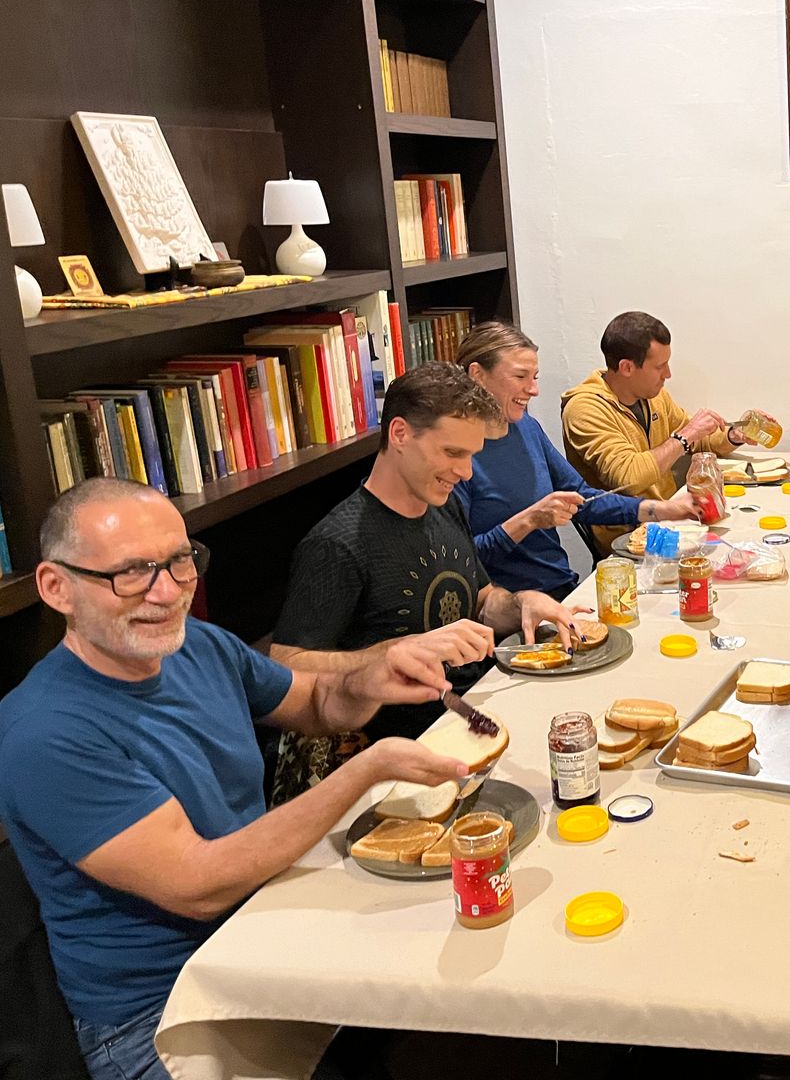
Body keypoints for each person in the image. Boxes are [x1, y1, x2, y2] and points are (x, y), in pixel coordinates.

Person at [0, 479, 467, 1080]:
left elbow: (316, 704)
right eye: (132, 573)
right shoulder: (45, 732)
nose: (167, 592)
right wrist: (366, 770)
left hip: (260, 937)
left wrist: (369, 679)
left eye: (180, 561)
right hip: (163, 1013)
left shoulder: (195, 645)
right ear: (55, 587)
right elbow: (198, 885)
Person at [271, 363, 584, 796]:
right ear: (400, 434)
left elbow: (480, 599)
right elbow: (285, 665)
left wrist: (521, 604)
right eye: (452, 453)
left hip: (473, 718)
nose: (467, 472)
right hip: (397, 761)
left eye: (472, 455)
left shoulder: (443, 505)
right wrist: (394, 653)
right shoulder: (337, 544)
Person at [455, 322, 698, 598]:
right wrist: (528, 521)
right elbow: (463, 560)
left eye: (535, 377)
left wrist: (664, 510)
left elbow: (583, 498)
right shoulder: (455, 456)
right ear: (477, 375)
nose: (533, 390)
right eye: (521, 376)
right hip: (511, 604)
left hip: (562, 588)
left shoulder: (527, 428)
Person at [560, 311, 773, 551]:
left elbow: (698, 440)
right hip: (630, 541)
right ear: (627, 367)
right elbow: (628, 477)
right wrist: (685, 436)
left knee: (752, 540)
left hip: (674, 520)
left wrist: (732, 435)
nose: (668, 374)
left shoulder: (653, 395)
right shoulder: (584, 409)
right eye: (660, 366)